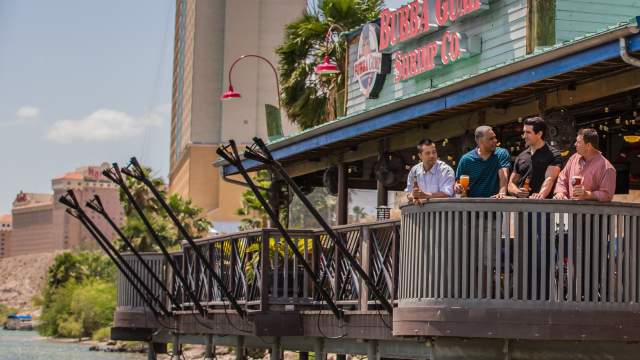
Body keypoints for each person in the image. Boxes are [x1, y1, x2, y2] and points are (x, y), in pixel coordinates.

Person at [554, 128, 616, 202]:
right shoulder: (574, 158)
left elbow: (607, 195)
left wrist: (587, 194)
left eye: (578, 142)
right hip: (570, 211)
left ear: (588, 145)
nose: (575, 144)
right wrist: (560, 192)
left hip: (591, 212)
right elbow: (562, 177)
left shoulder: (607, 168)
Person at [508, 116, 563, 199]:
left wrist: (540, 196)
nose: (524, 136)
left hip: (543, 207)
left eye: (528, 132)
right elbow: (511, 183)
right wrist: (517, 192)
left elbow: (550, 179)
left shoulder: (554, 154)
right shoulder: (521, 156)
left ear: (539, 134)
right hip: (521, 207)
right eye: (524, 132)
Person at [455, 125, 511, 198]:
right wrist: (457, 187)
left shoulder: (501, 153)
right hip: (473, 204)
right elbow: (458, 182)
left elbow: (504, 176)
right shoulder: (466, 159)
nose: (495, 140)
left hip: (495, 202)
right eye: (491, 139)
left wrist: (502, 194)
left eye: (495, 137)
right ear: (480, 141)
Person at [405, 139, 455, 203]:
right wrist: (414, 196)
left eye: (434, 152)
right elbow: (408, 193)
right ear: (420, 156)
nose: (432, 156)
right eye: (428, 153)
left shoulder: (445, 170)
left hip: (442, 211)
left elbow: (447, 194)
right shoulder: (414, 171)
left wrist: (425, 195)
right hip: (420, 212)